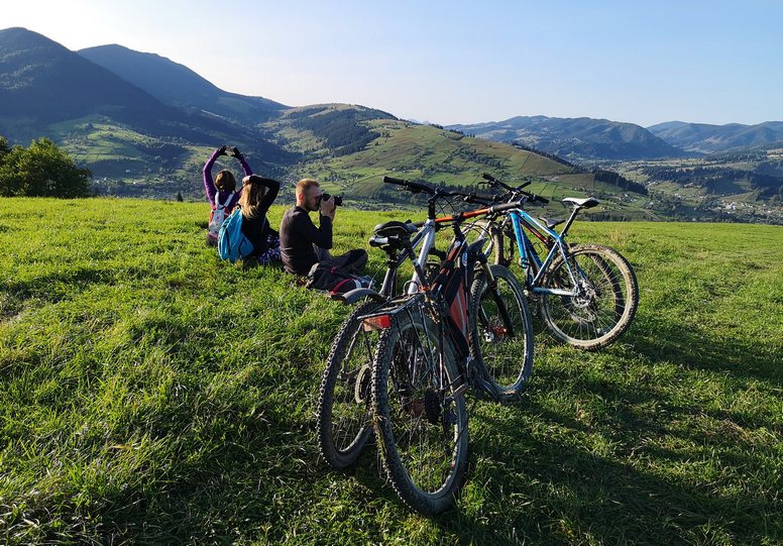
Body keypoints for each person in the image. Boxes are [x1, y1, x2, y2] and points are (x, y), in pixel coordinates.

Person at [279, 178, 367, 277]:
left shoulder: (292, 213)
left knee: (319, 246)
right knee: (360, 255)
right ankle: (336, 272)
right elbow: (326, 243)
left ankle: (333, 267)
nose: (320, 201)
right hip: (308, 271)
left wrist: (328, 219)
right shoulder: (298, 217)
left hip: (294, 266)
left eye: (320, 197)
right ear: (301, 197)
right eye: (316, 198)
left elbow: (320, 238)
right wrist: (325, 215)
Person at [203, 145, 252, 246]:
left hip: (212, 238)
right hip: (229, 240)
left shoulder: (213, 196)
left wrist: (215, 155)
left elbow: (206, 172)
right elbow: (250, 179)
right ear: (233, 183)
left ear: (217, 183)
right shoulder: (237, 197)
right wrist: (241, 159)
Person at [237, 174, 281, 264]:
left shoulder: (238, 208)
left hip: (244, 252)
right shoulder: (259, 208)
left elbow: (258, 229)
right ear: (261, 191)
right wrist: (252, 179)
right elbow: (275, 186)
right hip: (259, 256)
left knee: (278, 238)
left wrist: (278, 234)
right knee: (291, 246)